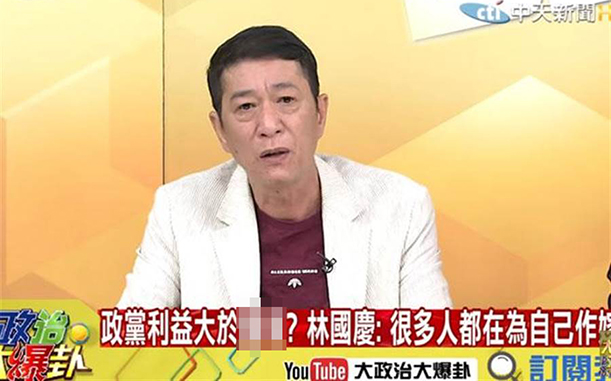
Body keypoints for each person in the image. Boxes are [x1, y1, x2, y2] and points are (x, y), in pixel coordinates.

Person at [117, 25, 452, 309]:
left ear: (320, 113)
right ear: (220, 130)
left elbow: (432, 344)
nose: (269, 125)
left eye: (286, 100)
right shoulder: (178, 209)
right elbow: (133, 341)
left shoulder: (401, 205)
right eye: (246, 107)